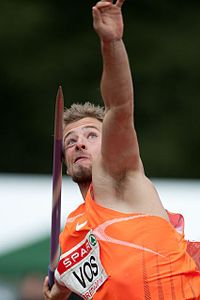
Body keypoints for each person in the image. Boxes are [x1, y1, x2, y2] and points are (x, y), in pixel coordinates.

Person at [43, 0, 200, 299]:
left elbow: (119, 106)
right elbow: (80, 274)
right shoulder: (73, 228)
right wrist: (59, 290)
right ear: (63, 159)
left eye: (91, 134)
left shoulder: (118, 175)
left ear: (112, 142)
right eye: (71, 140)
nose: (79, 142)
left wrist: (111, 42)